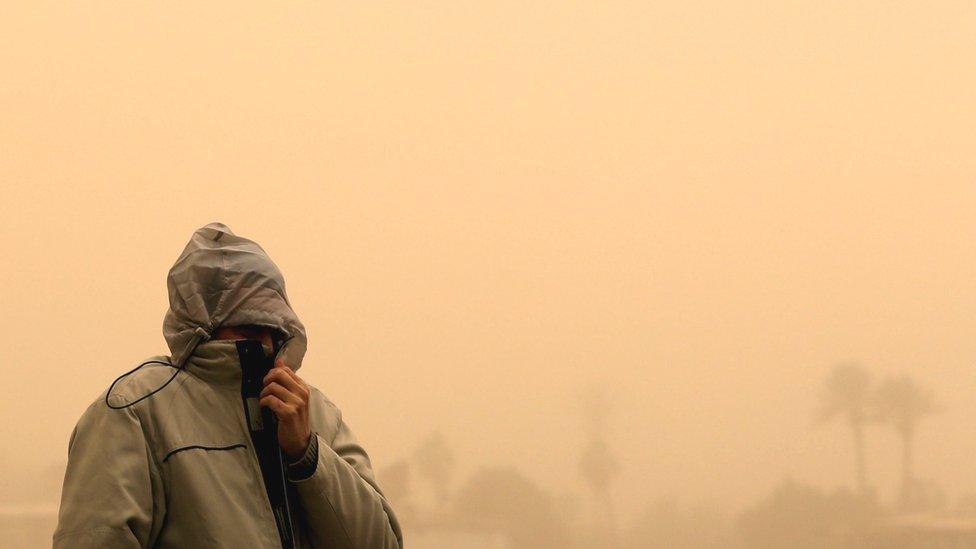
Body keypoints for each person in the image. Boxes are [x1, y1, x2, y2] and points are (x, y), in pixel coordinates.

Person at [54, 222, 403, 548]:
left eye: (275, 327)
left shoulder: (315, 413)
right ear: (199, 323)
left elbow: (383, 543)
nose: (266, 342)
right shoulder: (131, 413)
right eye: (249, 326)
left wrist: (306, 454)